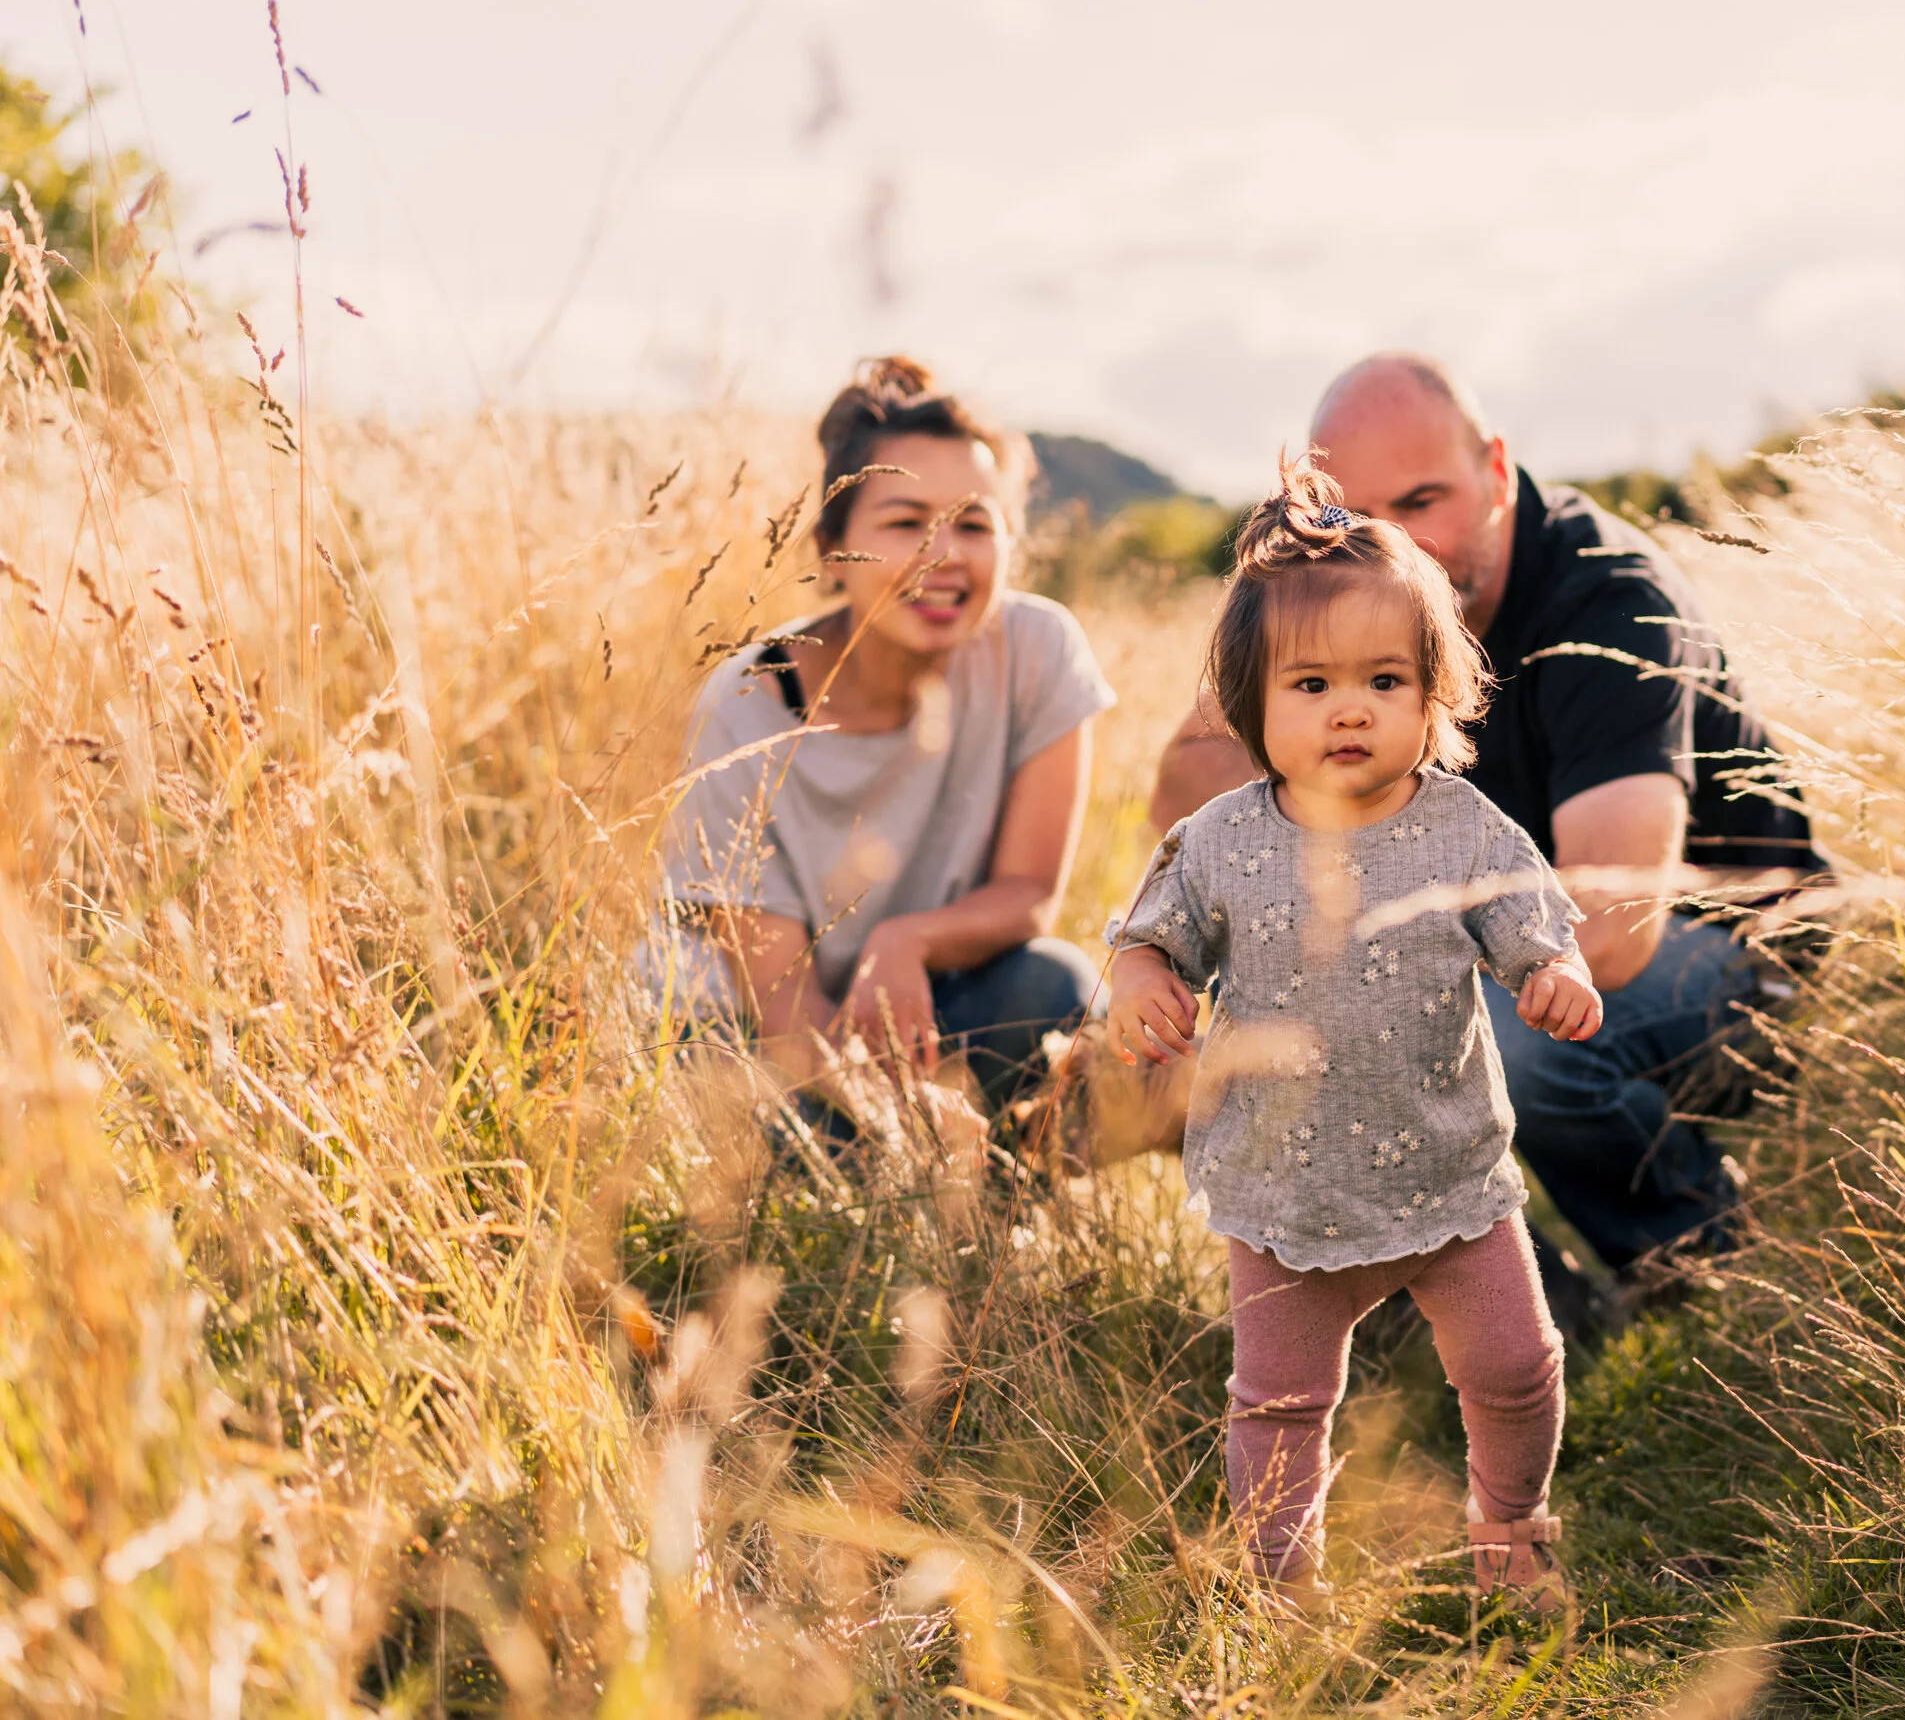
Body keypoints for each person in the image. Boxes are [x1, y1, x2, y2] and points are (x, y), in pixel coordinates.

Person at [1151, 353, 1822, 1284]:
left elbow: (1614, 935)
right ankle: (1498, 1296)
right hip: (1512, 937)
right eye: (1359, 518)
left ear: (1497, 472)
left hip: (1734, 948)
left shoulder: (1609, 602)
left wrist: (1384, 977)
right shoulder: (1345, 610)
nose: (1401, 549)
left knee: (1513, 1049)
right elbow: (1186, 792)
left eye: (1424, 501)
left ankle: (1696, 1263)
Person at [1107, 466, 1597, 1610]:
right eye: (1311, 682)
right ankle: (1284, 1589)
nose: (1349, 709)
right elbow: (1149, 938)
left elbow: (1530, 927)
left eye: (1385, 679)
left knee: (1515, 1369)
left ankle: (1511, 1529)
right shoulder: (1218, 841)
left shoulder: (1462, 825)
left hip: (1448, 1180)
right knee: (1279, 1405)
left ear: (1435, 693)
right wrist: (1142, 985)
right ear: (1248, 703)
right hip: (1285, 1193)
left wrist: (1554, 974)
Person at [659, 355, 1115, 1126]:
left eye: (974, 522)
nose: (944, 553)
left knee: (1054, 988)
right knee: (789, 1143)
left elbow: (1028, 895)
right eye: (906, 523)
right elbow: (781, 1003)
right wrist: (901, 1128)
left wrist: (907, 940)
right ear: (834, 548)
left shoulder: (1037, 647)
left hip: (918, 1013)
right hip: (749, 1046)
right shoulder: (745, 703)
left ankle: (991, 1188)